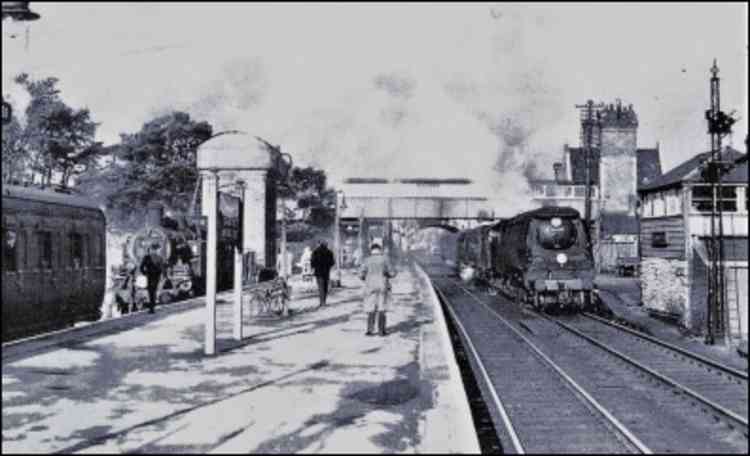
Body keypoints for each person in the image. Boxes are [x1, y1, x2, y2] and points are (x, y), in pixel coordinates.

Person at [359, 242, 397, 336]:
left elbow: (360, 274)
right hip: (382, 286)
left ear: (371, 250)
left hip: (370, 287)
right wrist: (388, 275)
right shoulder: (385, 259)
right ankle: (381, 331)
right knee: (381, 308)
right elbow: (392, 273)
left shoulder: (367, 260)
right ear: (380, 250)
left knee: (370, 308)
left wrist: (366, 278)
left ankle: (370, 330)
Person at [139, 242, 165, 314]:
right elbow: (162, 268)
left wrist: (145, 273)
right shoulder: (159, 258)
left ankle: (151, 307)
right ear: (156, 250)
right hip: (156, 276)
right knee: (153, 291)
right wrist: (161, 275)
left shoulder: (146, 257)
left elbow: (141, 267)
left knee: (150, 291)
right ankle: (152, 307)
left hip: (149, 276)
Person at [310, 240, 335, 307]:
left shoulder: (315, 251)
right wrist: (328, 266)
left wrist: (315, 267)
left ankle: (322, 302)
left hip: (318, 272)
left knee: (320, 287)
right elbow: (332, 262)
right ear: (326, 245)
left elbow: (312, 262)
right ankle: (324, 301)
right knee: (325, 287)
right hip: (326, 272)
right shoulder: (330, 252)